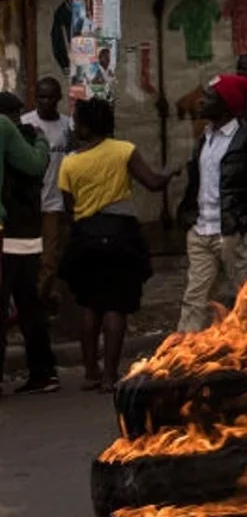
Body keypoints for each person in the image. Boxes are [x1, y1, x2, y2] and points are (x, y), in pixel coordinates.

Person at [58, 99, 176, 390]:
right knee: (116, 306)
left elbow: (68, 207)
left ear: (84, 126)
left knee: (89, 304)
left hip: (86, 236)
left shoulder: (70, 162)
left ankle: (90, 372)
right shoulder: (124, 150)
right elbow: (152, 183)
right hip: (121, 236)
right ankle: (111, 375)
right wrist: (170, 173)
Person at [176, 75, 247, 334]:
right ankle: (183, 355)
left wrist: (243, 224)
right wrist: (189, 217)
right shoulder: (205, 137)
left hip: (232, 233)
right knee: (195, 299)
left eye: (210, 98)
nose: (201, 102)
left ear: (226, 106)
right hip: (202, 231)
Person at [0, 93, 57, 393]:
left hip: (13, 234)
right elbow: (36, 166)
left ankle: (43, 373)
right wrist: (42, 143)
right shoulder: (13, 132)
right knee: (28, 303)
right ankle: (44, 372)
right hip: (19, 233)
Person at [20, 78, 73, 303]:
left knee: (50, 258)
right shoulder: (25, 124)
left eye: (51, 97)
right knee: (28, 256)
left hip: (54, 202)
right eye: (41, 97)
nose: (46, 101)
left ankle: (37, 302)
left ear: (58, 99)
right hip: (29, 202)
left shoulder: (67, 126)